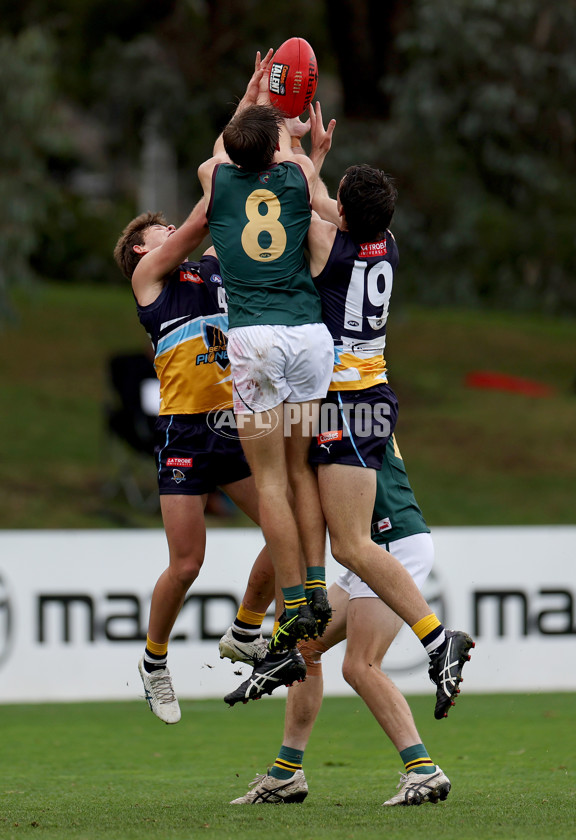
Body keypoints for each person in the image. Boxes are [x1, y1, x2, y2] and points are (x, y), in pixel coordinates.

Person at [221, 103, 474, 719]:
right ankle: (282, 632)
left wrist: (285, 137)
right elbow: (324, 203)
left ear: (339, 205)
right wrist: (317, 163)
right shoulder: (385, 241)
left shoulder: (325, 244)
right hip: (366, 396)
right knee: (301, 490)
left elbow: (287, 201)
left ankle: (438, 641)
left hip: (348, 402)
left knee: (353, 546)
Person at [110, 54, 308, 725]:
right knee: (188, 562)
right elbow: (209, 204)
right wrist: (248, 117)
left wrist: (252, 101)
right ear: (140, 250)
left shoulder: (213, 268)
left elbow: (228, 201)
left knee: (290, 532)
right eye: (153, 231)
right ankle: (155, 659)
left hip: (233, 422)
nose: (168, 229)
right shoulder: (151, 281)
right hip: (184, 430)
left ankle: (249, 624)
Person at [226, 435, 453, 806]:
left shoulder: (335, 411)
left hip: (387, 543)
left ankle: (424, 770)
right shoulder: (345, 404)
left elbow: (298, 499)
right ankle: (286, 775)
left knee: (360, 665)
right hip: (372, 547)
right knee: (305, 647)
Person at [197, 76, 335, 654]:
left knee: (271, 479)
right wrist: (297, 130)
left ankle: (294, 598)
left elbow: (221, 150)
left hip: (255, 341)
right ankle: (319, 582)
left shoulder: (217, 179)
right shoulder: (298, 175)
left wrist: (255, 94)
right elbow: (284, 157)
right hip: (308, 337)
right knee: (303, 471)